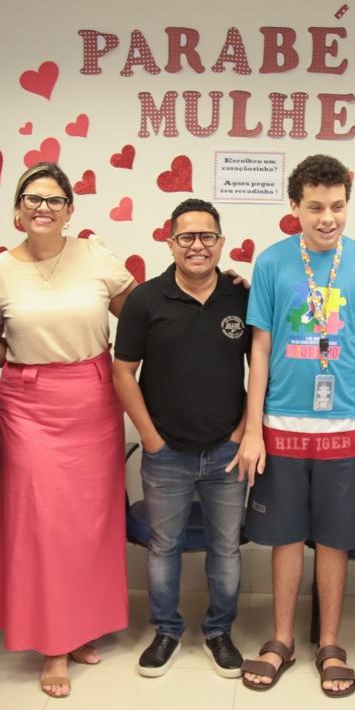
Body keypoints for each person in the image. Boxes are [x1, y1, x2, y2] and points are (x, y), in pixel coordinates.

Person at [0, 162, 135, 698]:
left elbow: (141, 318)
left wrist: (217, 289)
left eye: (54, 200)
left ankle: (82, 626)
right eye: (32, 199)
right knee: (42, 523)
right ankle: (53, 645)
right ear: (18, 209)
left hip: (92, 398)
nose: (43, 207)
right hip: (26, 404)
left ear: (70, 210)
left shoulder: (96, 257)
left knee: (90, 522)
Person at [234, 154, 355, 697]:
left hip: (344, 425)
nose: (328, 218)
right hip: (281, 424)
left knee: (337, 540)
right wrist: (253, 429)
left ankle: (329, 642)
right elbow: (261, 346)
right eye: (316, 207)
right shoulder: (272, 263)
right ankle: (281, 639)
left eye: (338, 206)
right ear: (294, 206)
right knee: (285, 537)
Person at [113, 198, 250, 679]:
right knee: (163, 547)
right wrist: (149, 439)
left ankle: (219, 631)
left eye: (207, 236)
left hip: (227, 452)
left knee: (226, 549)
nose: (197, 245)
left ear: (220, 242)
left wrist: (243, 431)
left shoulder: (242, 297)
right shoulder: (145, 301)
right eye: (187, 237)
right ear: (170, 242)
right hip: (165, 452)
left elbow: (266, 367)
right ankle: (166, 630)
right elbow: (123, 373)